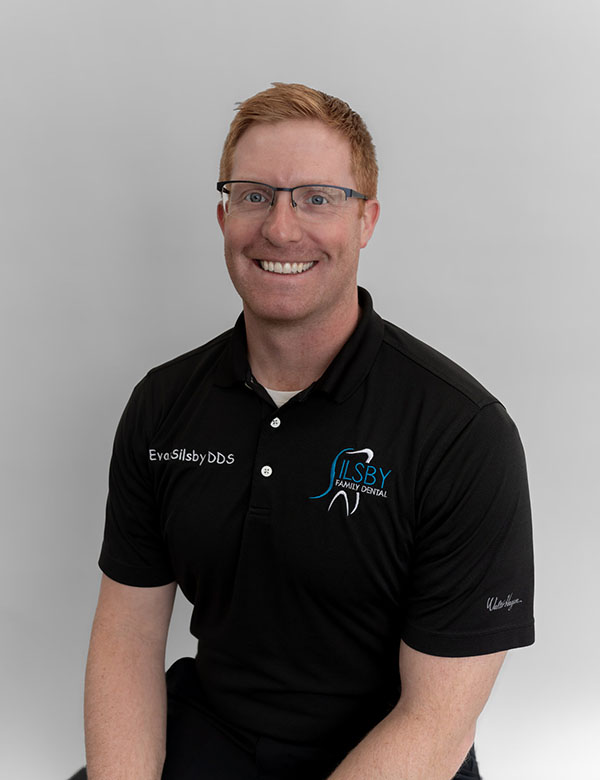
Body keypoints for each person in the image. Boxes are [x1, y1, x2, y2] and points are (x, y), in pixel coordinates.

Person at [80, 82, 534, 780]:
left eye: (318, 198)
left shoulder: (462, 434)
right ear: (224, 215)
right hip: (212, 737)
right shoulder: (163, 405)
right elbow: (127, 638)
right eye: (254, 195)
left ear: (366, 220)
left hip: (391, 756)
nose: (282, 229)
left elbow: (438, 720)